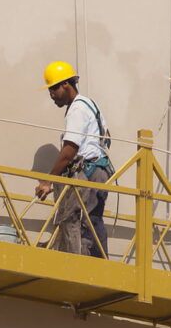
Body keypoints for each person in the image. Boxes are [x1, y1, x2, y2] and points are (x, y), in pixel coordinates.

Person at [33, 61, 112, 257]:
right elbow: (107, 137)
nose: (51, 95)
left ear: (66, 85)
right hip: (99, 170)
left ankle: (78, 262)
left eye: (53, 89)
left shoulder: (77, 109)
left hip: (89, 172)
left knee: (73, 218)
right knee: (92, 220)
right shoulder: (90, 105)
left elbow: (69, 150)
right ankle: (99, 262)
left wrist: (48, 181)